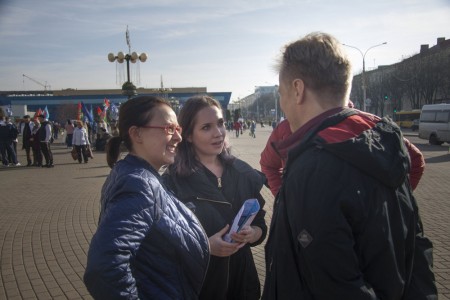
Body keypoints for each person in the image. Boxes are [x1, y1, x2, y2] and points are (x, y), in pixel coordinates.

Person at [262, 32, 437, 299]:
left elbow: (335, 286)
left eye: (282, 93)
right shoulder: (388, 144)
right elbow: (417, 252)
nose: (283, 104)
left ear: (297, 90)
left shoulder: (312, 169)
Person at [84, 96, 209, 299]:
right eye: (169, 128)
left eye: (178, 129)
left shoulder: (135, 173)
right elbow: (104, 267)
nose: (178, 137)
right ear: (136, 133)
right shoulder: (139, 184)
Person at [164, 95, 267, 300]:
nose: (218, 133)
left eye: (220, 124)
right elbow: (165, 242)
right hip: (201, 286)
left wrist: (252, 233)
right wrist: (205, 247)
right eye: (206, 127)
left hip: (243, 285)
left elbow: (261, 226)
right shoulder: (172, 182)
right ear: (189, 135)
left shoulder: (242, 172)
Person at [261, 117, 425, 197]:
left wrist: (396, 200)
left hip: (366, 234)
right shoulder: (287, 127)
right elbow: (268, 164)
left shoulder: (369, 123)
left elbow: (416, 161)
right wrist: (282, 197)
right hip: (304, 228)